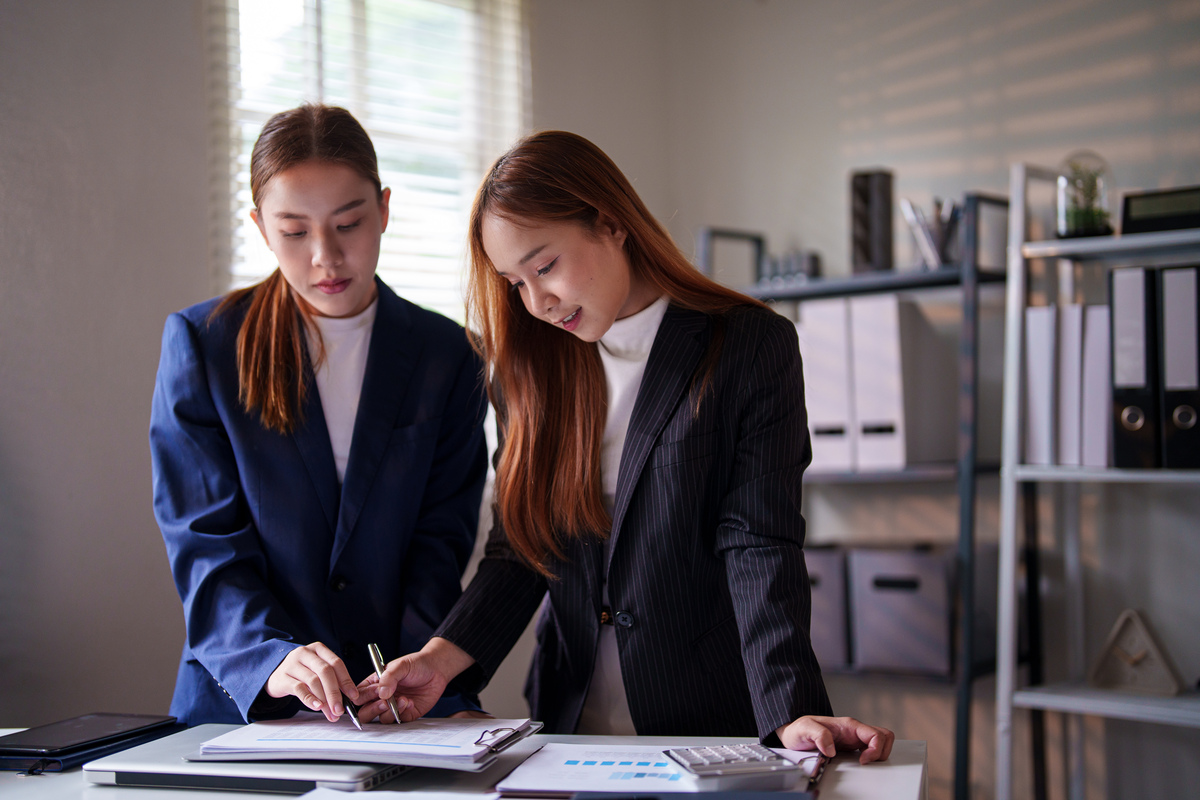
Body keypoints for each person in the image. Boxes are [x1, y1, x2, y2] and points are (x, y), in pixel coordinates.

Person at [355, 130, 894, 763]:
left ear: (609, 222)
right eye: (515, 282)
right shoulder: (530, 370)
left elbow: (758, 542)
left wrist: (792, 706)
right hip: (568, 727)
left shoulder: (749, 345)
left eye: (545, 266)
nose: (538, 302)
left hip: (710, 726)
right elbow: (522, 551)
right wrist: (440, 661)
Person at [150, 104, 488, 726]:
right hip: (245, 699)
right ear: (259, 227)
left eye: (349, 223)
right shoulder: (206, 344)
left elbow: (441, 545)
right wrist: (273, 657)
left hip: (398, 703)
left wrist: (411, 670)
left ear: (384, 210)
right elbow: (204, 546)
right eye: (295, 231)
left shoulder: (450, 356)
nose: (326, 257)